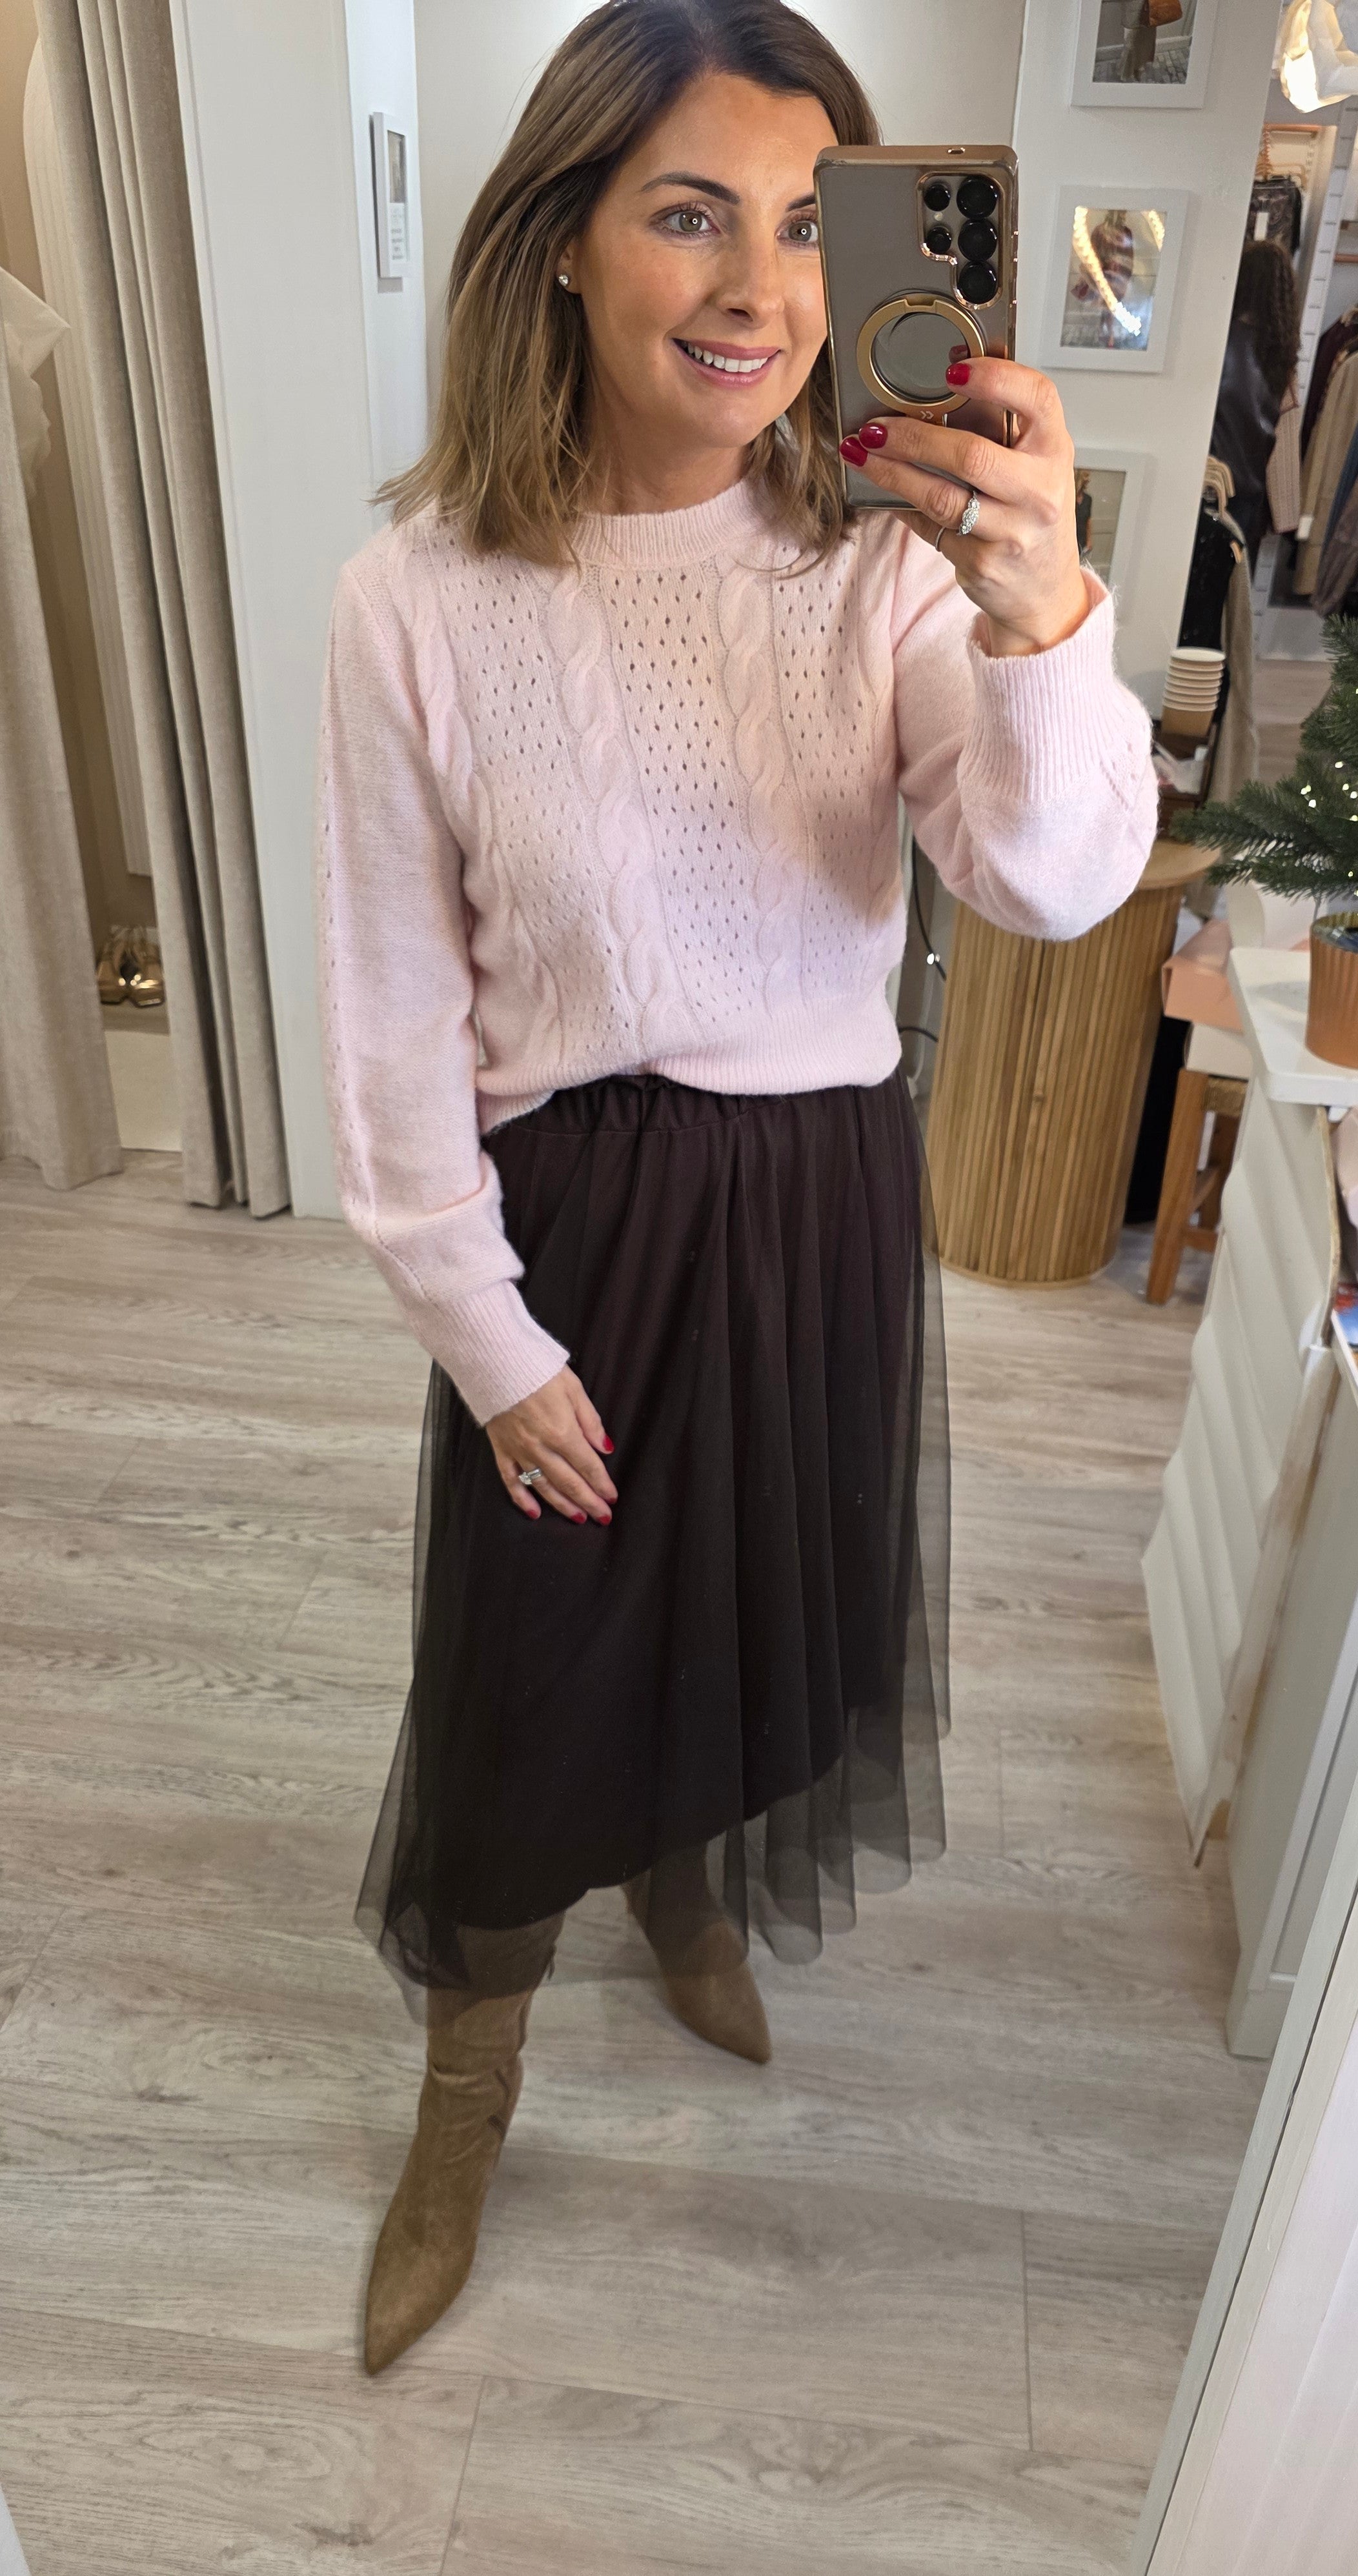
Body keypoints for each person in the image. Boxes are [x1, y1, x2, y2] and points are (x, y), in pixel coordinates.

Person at [316, 0, 1157, 2377]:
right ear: (562, 240)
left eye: (807, 223)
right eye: (689, 211)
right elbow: (389, 1024)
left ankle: (681, 1890)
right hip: (568, 1228)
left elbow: (1045, 879)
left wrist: (1037, 616)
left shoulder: (880, 564)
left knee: (757, 1615)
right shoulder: (417, 595)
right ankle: (465, 2097)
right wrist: (483, 1336)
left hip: (816, 1206)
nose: (761, 285)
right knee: (523, 1680)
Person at [1208, 236, 1301, 569]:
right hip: (1248, 501)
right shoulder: (1282, 359)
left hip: (1207, 487)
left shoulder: (1217, 341)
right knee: (1227, 591)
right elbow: (1283, 443)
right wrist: (1287, 516)